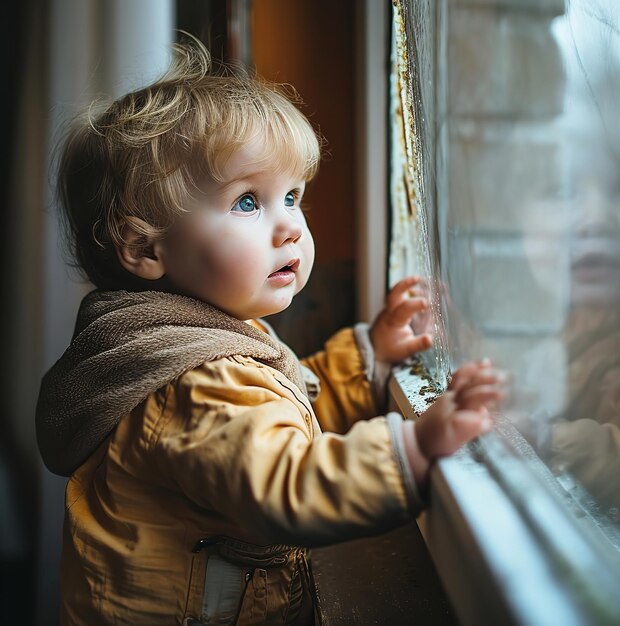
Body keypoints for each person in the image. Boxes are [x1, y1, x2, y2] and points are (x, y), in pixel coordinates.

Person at [36, 39, 503, 625]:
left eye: (292, 196)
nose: (290, 228)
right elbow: (284, 482)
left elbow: (283, 415)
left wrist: (369, 358)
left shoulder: (195, 341)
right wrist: (413, 449)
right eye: (247, 202)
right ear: (146, 249)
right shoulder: (191, 383)